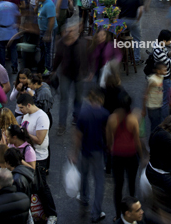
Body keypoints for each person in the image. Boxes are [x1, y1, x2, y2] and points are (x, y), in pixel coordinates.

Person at [17, 94, 58, 223]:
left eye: (21, 108)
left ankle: (51, 214)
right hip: (28, 154)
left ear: (29, 105)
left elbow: (40, 140)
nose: (20, 111)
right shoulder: (27, 115)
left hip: (39, 158)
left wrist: (24, 133)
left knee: (42, 186)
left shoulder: (42, 117)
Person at [72, 87, 110, 223]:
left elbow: (78, 136)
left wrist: (74, 153)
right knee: (99, 181)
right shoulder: (104, 113)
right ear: (101, 99)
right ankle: (96, 213)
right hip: (99, 151)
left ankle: (84, 197)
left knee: (84, 175)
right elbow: (107, 133)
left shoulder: (83, 113)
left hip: (85, 150)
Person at [107, 93, 142, 222]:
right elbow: (137, 140)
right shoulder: (133, 119)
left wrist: (112, 147)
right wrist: (142, 156)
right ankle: (132, 212)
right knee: (132, 184)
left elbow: (109, 139)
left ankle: (118, 214)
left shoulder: (112, 118)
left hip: (117, 156)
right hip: (131, 155)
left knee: (118, 186)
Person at [146, 115, 171, 222]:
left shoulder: (157, 130)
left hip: (151, 169)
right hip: (163, 175)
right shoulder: (166, 137)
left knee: (156, 199)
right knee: (168, 203)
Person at [52, 22, 88, 134]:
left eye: (72, 30)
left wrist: (88, 72)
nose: (69, 33)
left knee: (78, 98)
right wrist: (53, 70)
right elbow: (57, 57)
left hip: (79, 75)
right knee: (64, 99)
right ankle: (61, 125)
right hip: (65, 74)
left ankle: (76, 118)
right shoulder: (61, 44)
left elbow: (86, 57)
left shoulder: (81, 43)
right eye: (68, 30)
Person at [152, 30, 171, 119]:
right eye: (170, 40)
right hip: (164, 78)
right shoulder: (159, 51)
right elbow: (168, 64)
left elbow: (166, 56)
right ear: (164, 40)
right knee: (165, 101)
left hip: (162, 77)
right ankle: (165, 120)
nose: (170, 42)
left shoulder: (159, 45)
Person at [117, 0, 144, 65]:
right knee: (137, 40)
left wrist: (117, 21)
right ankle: (136, 59)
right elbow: (141, 9)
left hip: (123, 21)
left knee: (120, 38)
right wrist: (138, 19)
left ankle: (120, 55)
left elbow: (117, 11)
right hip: (133, 21)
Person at [36, 0, 57, 74]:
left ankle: (49, 69)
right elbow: (36, 12)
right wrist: (37, 5)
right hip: (42, 30)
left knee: (49, 50)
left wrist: (48, 33)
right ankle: (43, 65)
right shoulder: (41, 3)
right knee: (43, 49)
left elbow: (51, 20)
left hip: (48, 31)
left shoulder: (49, 5)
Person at [142, 62, 166, 132]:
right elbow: (145, 95)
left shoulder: (161, 77)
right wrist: (143, 109)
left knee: (158, 123)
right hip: (152, 106)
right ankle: (153, 139)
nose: (166, 71)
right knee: (155, 125)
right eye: (164, 70)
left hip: (158, 104)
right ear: (158, 71)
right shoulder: (152, 80)